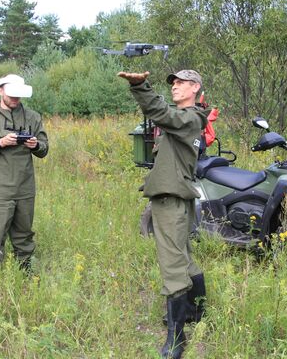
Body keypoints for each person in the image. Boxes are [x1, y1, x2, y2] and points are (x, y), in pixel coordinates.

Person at [118, 70, 208, 359]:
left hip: (172, 201)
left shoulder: (190, 118)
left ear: (195, 88)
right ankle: (196, 310)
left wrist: (139, 86)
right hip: (171, 197)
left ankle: (176, 338)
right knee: (182, 255)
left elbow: (160, 113)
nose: (175, 88)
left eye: (181, 83)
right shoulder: (185, 120)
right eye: (173, 84)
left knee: (172, 266)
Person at [0, 74, 49, 279]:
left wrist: (36, 145)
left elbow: (44, 149)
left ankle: (26, 274)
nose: (15, 99)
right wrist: (0, 143)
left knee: (24, 234)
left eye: (19, 96)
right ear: (0, 90)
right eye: (12, 95)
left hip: (25, 187)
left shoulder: (32, 116)